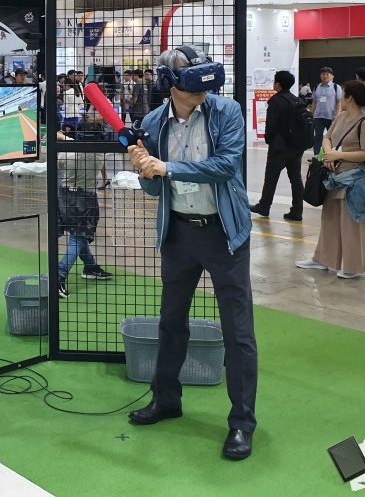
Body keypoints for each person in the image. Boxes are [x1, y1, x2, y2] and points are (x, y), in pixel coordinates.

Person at [126, 48, 257, 461]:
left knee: (237, 331)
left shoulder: (226, 112)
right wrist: (143, 166)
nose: (202, 88)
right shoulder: (153, 122)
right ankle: (166, 399)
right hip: (179, 235)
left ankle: (242, 423)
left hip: (225, 234)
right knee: (171, 322)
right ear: (169, 84)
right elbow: (153, 188)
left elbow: (226, 165)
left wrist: (166, 167)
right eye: (191, 80)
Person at [296, 81, 365, 279]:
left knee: (352, 224)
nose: (340, 99)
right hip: (333, 177)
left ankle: (353, 267)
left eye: (343, 95)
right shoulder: (340, 117)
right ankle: (323, 259)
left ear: (349, 97)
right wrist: (330, 154)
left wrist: (339, 156)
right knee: (329, 220)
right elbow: (327, 137)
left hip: (353, 180)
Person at [55, 125, 113, 298]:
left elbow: (61, 161)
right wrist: (105, 178)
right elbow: (94, 154)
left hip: (65, 198)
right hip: (85, 200)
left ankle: (90, 266)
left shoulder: (67, 153)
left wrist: (67, 140)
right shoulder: (98, 155)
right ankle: (59, 275)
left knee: (78, 234)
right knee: (79, 236)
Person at [249, 70, 305, 222]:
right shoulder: (297, 100)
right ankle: (297, 210)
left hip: (279, 147)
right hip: (296, 147)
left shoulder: (276, 101)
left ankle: (264, 206)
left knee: (271, 177)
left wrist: (269, 140)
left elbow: (271, 124)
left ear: (278, 84)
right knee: (296, 178)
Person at [311, 67, 342, 156]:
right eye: (323, 74)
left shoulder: (336, 87)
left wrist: (338, 114)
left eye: (327, 74)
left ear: (332, 76)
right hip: (318, 116)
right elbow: (314, 102)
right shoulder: (317, 87)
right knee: (318, 137)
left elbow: (339, 102)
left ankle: (331, 154)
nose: (325, 76)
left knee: (332, 137)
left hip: (331, 116)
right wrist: (311, 114)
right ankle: (316, 155)